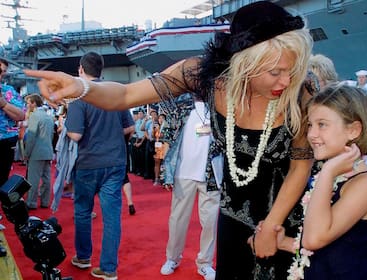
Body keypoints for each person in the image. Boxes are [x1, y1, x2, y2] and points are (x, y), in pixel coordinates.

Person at [25, 2, 314, 278]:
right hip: (231, 220)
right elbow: (127, 94)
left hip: (284, 221)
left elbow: (300, 166)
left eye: (292, 69)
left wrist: (271, 226)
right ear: (245, 64)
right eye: (275, 72)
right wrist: (80, 86)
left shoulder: (300, 94)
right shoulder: (206, 75)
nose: (286, 81)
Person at [275, 83, 367, 279]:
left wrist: (327, 172)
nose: (311, 134)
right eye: (310, 125)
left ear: (354, 130)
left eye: (322, 125)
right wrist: (285, 242)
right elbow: (330, 245)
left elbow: (314, 239)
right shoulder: (331, 176)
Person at [65, 52, 134, 280]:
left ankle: (84, 257)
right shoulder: (114, 91)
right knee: (112, 216)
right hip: (115, 161)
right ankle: (108, 268)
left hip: (88, 163)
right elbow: (129, 129)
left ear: (81, 70)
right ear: (101, 69)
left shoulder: (79, 96)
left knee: (83, 211)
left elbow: (75, 135)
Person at [159, 94, 220, 280]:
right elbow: (167, 138)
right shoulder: (179, 107)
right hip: (183, 173)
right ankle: (172, 258)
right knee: (177, 220)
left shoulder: (220, 109)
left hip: (210, 174)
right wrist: (165, 172)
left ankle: (205, 263)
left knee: (210, 222)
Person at [24, 94, 54, 210]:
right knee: (46, 178)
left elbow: (31, 137)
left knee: (33, 179)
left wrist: (26, 153)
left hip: (37, 152)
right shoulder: (48, 117)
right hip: (48, 151)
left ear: (34, 103)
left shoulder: (35, 116)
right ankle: (45, 202)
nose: (27, 105)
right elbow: (51, 135)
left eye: (28, 102)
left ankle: (31, 202)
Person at [0, 58, 25, 186]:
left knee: (3, 180)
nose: (1, 74)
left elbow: (21, 115)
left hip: (5, 141)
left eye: (3, 71)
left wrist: (4, 104)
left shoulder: (8, 91)